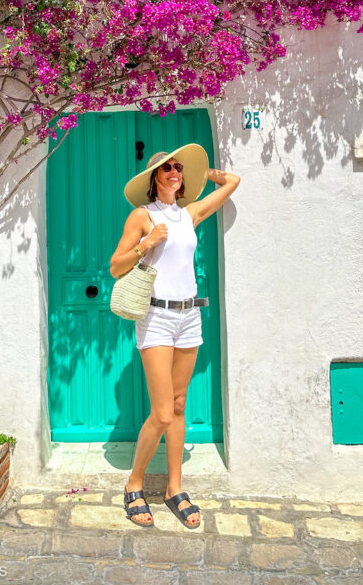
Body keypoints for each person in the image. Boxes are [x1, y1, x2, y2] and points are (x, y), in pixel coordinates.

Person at [110, 142, 241, 528]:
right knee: (163, 412)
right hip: (156, 318)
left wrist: (205, 175)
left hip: (190, 315)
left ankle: (174, 488)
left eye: (178, 168)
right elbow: (115, 266)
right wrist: (146, 244)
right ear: (154, 179)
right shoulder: (141, 216)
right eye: (166, 168)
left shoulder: (189, 214)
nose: (174, 173)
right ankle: (134, 483)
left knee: (181, 405)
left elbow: (232, 181)